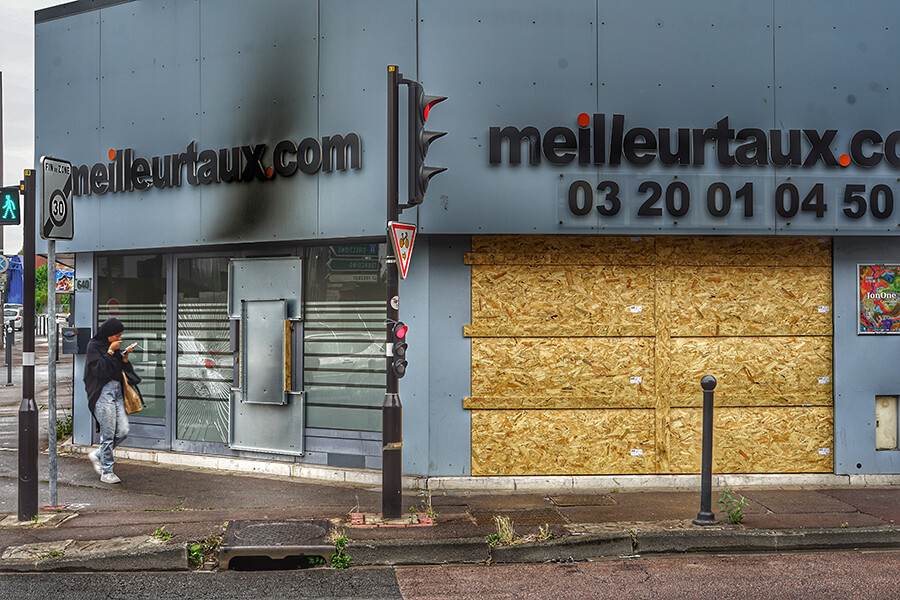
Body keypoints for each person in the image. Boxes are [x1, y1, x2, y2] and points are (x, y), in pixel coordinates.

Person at [83, 317, 139, 484]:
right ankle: (107, 472)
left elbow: (120, 370)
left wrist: (124, 357)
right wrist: (109, 352)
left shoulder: (114, 347)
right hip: (102, 393)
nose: (119, 339)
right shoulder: (94, 346)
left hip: (117, 392)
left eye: (121, 336)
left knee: (123, 431)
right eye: (116, 336)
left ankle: (98, 455)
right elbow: (99, 371)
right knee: (108, 434)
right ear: (108, 334)